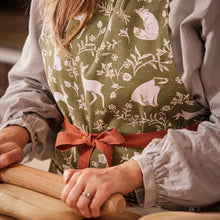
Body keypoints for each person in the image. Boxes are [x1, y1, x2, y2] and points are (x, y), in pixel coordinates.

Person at [0, 0, 220, 218]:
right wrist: (16, 132)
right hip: (62, 199)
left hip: (171, 211)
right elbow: (37, 83)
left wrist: (133, 173)